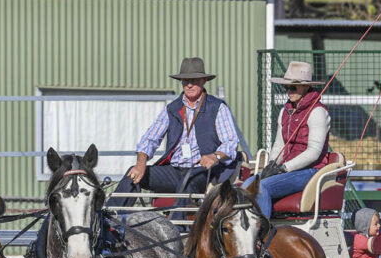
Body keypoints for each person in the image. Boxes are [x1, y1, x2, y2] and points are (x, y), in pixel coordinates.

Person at [107, 57, 239, 209]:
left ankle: (177, 223)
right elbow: (150, 139)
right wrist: (140, 163)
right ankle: (110, 217)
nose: (189, 85)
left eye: (194, 80)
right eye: (185, 80)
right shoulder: (172, 108)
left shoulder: (217, 107)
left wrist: (214, 156)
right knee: (133, 174)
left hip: (204, 172)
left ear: (204, 81)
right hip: (174, 170)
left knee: (187, 183)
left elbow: (231, 142)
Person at [242, 61, 331, 219]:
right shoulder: (285, 111)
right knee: (246, 185)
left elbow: (313, 152)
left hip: (310, 171)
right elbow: (279, 144)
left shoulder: (317, 112)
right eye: (286, 87)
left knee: (261, 187)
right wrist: (272, 163)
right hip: (287, 168)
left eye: (293, 87)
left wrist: (284, 168)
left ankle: (262, 230)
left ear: (306, 87)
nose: (288, 91)